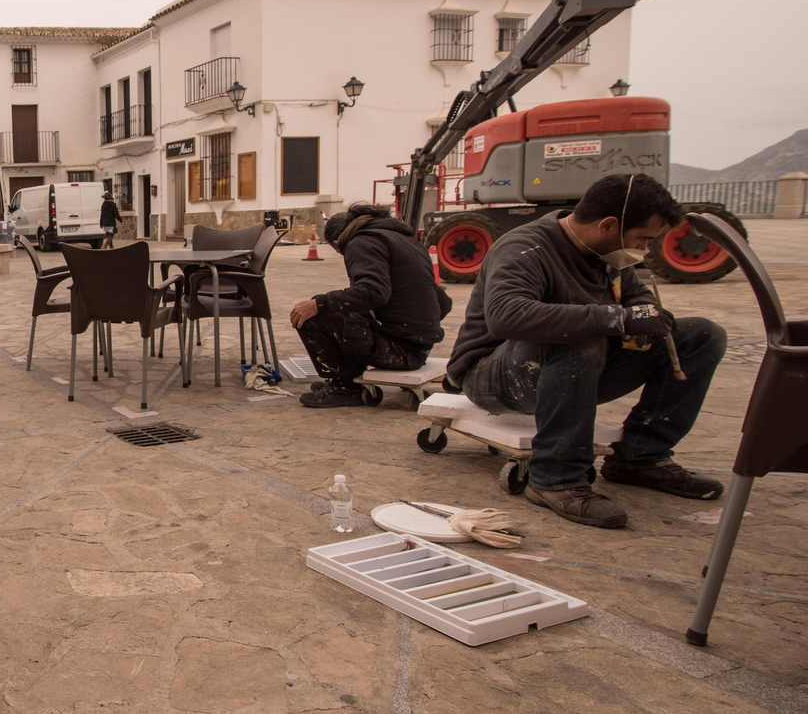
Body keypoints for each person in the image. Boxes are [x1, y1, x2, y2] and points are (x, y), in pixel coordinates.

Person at [446, 173, 726, 528]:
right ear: (609, 225)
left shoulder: (606, 252)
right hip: (493, 374)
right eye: (643, 239)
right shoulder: (525, 246)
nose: (645, 249)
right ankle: (555, 478)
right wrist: (619, 319)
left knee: (702, 334)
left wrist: (647, 315)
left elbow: (634, 298)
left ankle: (641, 457)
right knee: (581, 334)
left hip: (572, 368)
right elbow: (506, 315)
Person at [289, 203, 452, 407]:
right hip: (419, 348)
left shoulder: (362, 242)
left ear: (339, 241)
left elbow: (374, 292)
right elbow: (444, 303)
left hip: (399, 352)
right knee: (347, 309)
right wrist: (415, 326)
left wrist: (318, 304)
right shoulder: (406, 241)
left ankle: (345, 387)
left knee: (311, 313)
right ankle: (347, 378)